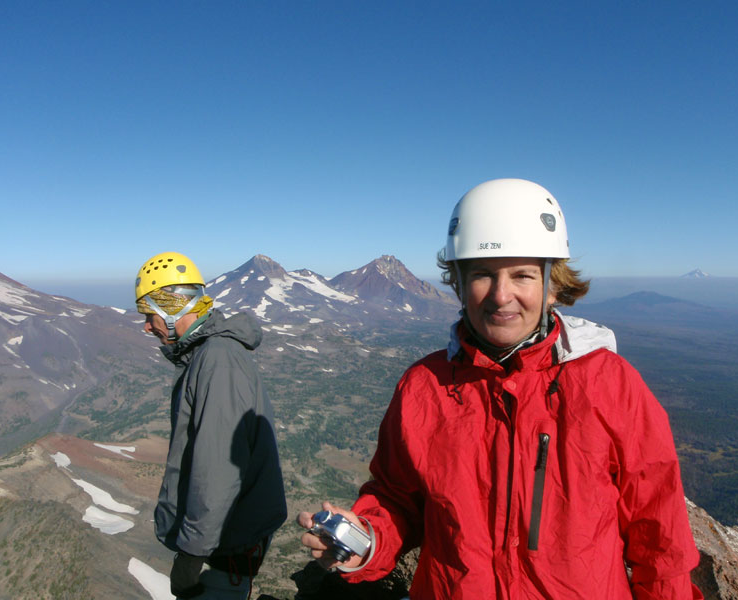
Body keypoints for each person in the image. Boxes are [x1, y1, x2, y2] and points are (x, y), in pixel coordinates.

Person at [298, 179, 703, 599]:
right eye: (482, 275)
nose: (501, 295)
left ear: (552, 285)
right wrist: (368, 539)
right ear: (458, 282)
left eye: (523, 275)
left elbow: (661, 540)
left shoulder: (609, 383)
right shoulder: (426, 386)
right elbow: (399, 500)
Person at [135, 251, 287, 600]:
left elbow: (217, 469)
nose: (146, 326)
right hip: (222, 544)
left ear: (172, 307)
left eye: (149, 314)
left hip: (222, 550)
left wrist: (192, 554)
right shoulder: (208, 355)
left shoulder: (217, 360)